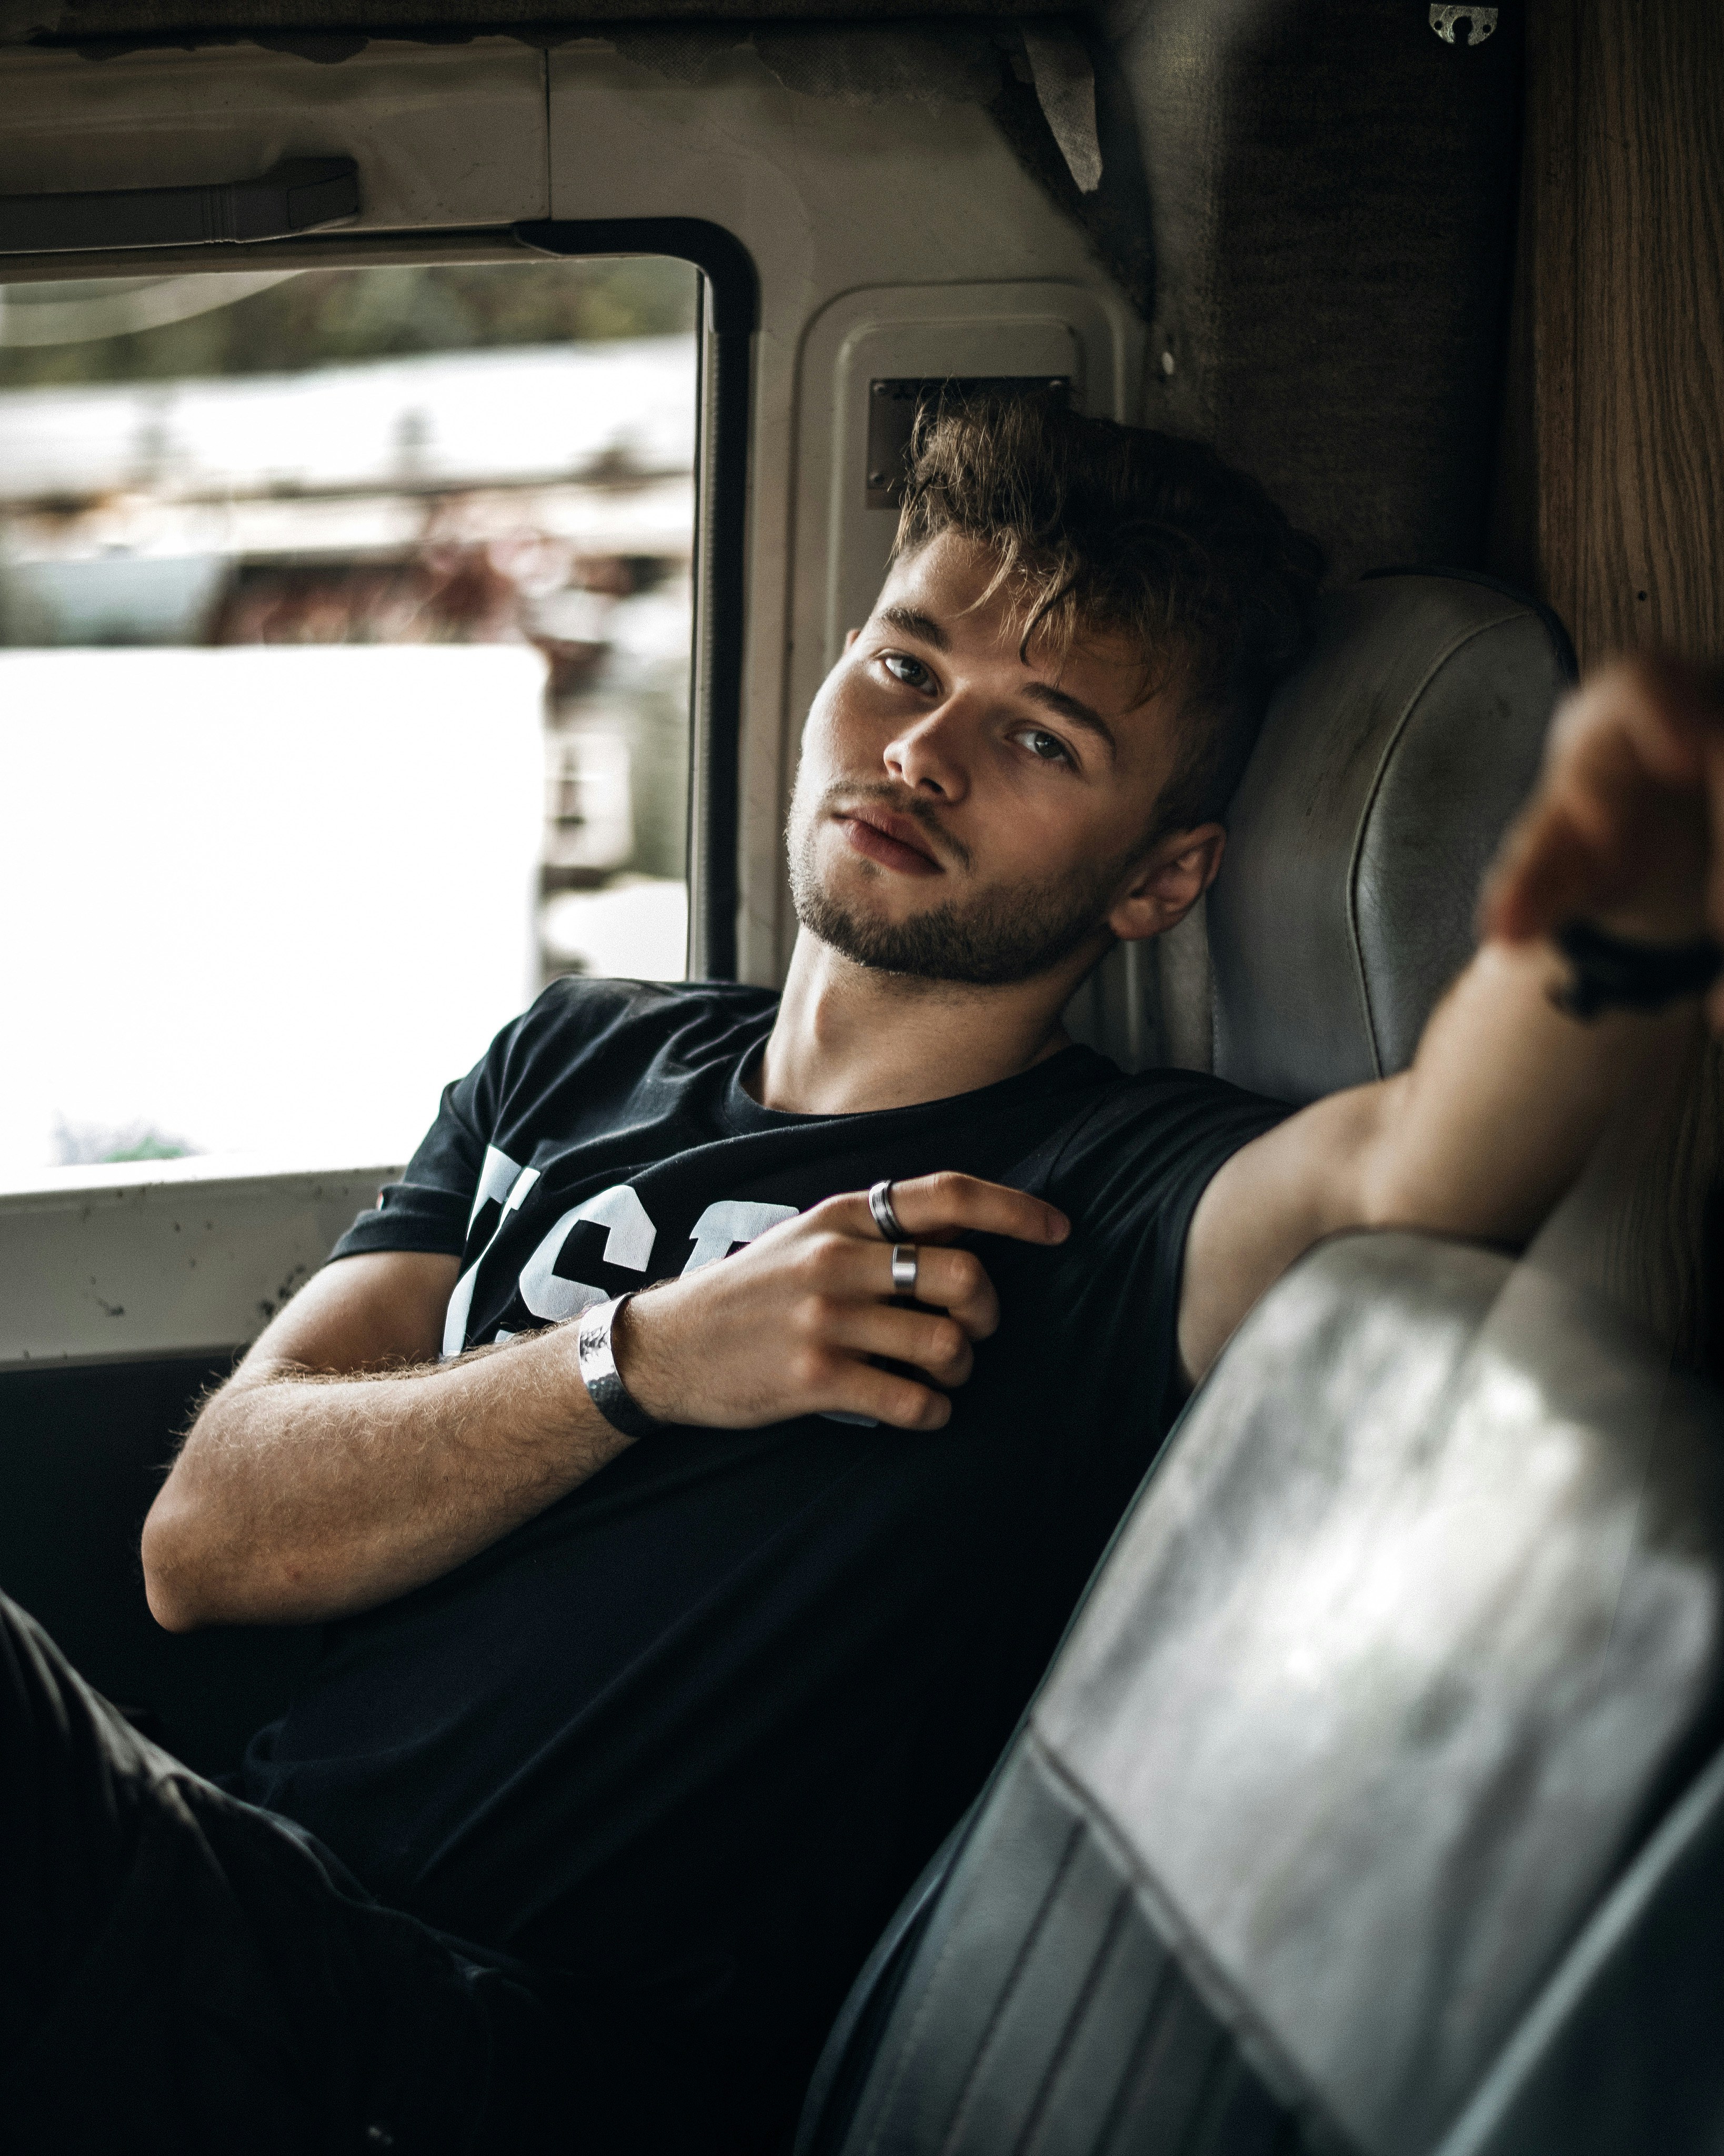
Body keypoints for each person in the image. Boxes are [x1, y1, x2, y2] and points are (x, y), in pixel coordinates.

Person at [5, 395, 1719, 2154]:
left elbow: (1420, 1162)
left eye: (1041, 740)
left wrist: (1629, 903)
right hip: (232, 1897)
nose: (923, 755)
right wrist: (645, 1359)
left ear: (1164, 878)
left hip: (501, 2060)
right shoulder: (574, 1058)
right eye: (905, 669)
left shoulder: (1105, 1195)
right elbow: (206, 1540)